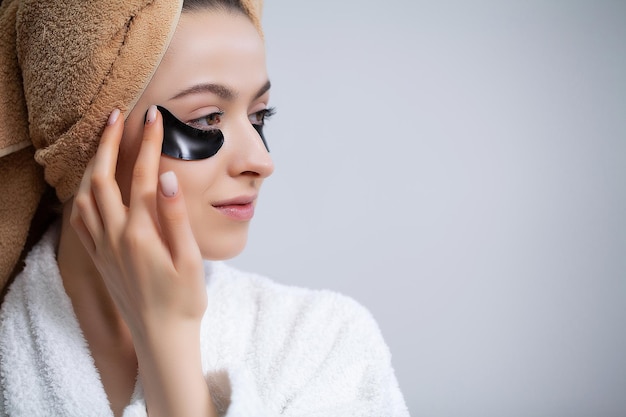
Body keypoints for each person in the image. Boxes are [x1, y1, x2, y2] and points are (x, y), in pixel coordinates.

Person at [0, 0, 409, 416]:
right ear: (85, 142)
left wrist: (167, 338)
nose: (262, 161)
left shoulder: (327, 344)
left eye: (259, 116)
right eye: (207, 119)